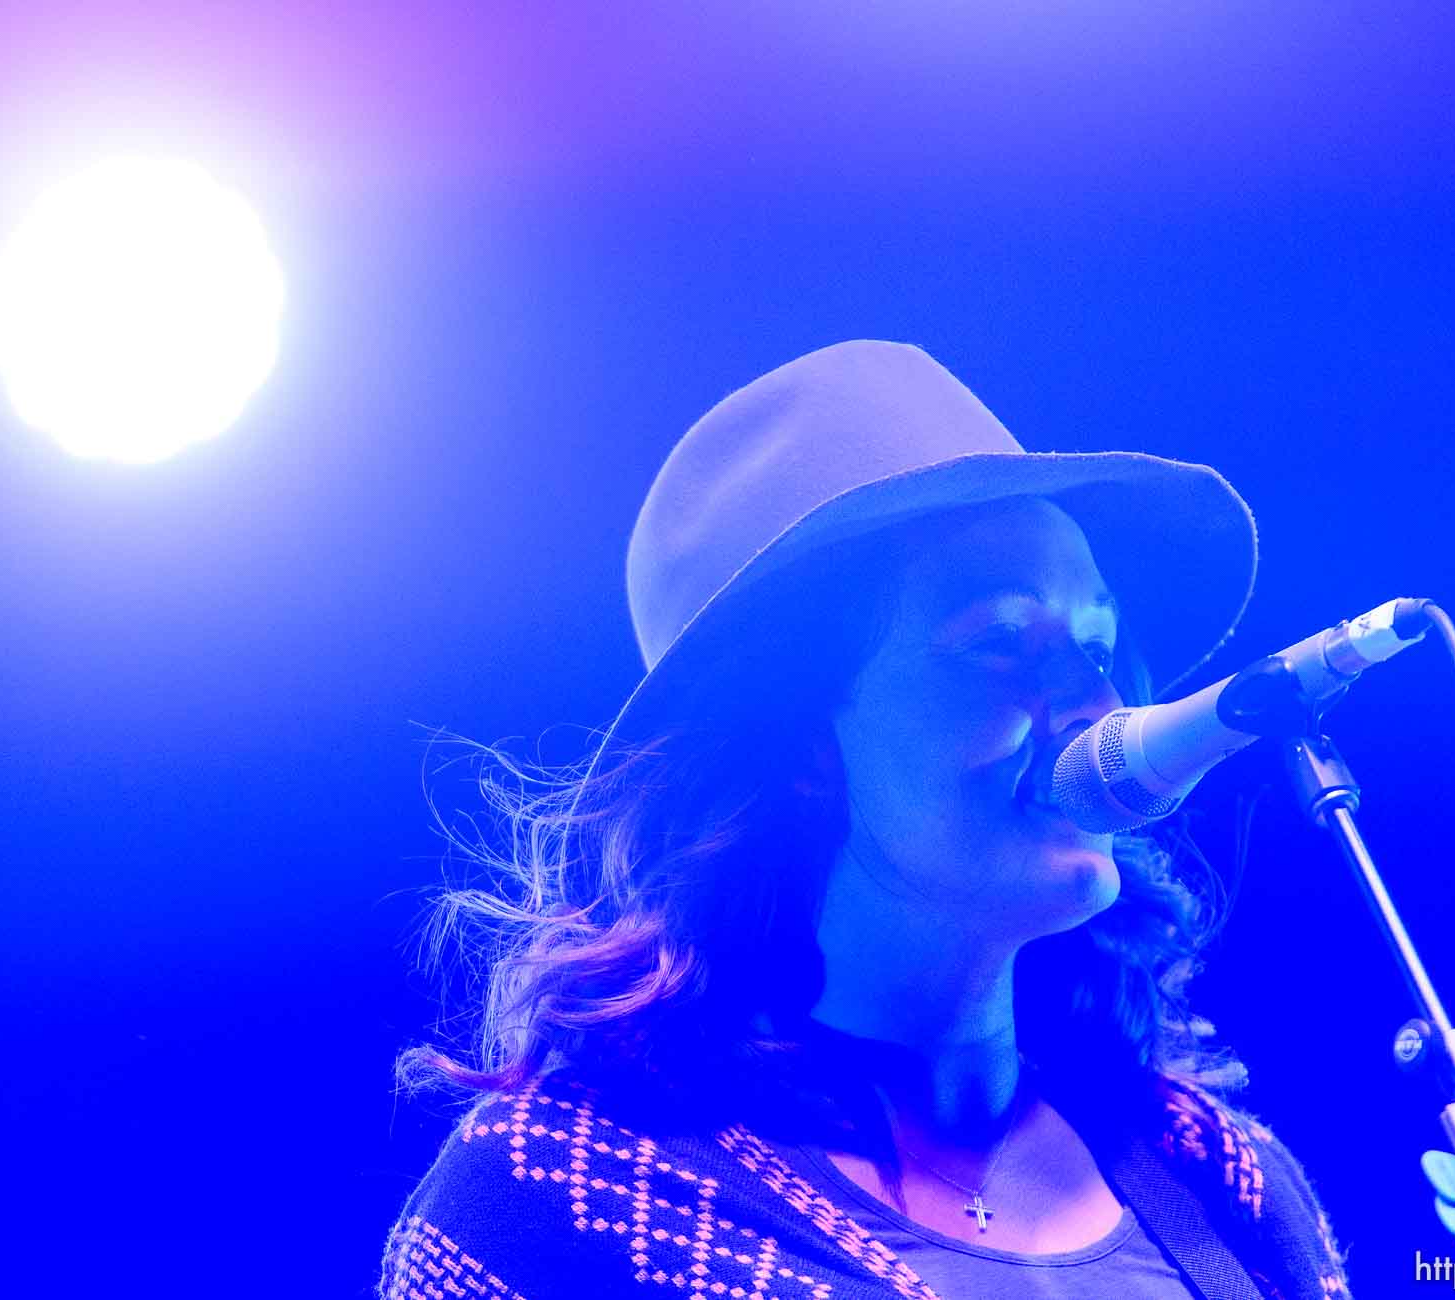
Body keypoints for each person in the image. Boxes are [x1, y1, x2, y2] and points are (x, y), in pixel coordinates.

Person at [378, 341, 1351, 1299]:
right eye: (1002, 642)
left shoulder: (1216, 1171)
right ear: (799, 743)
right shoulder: (551, 1204)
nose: (1100, 707)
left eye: (1098, 642)